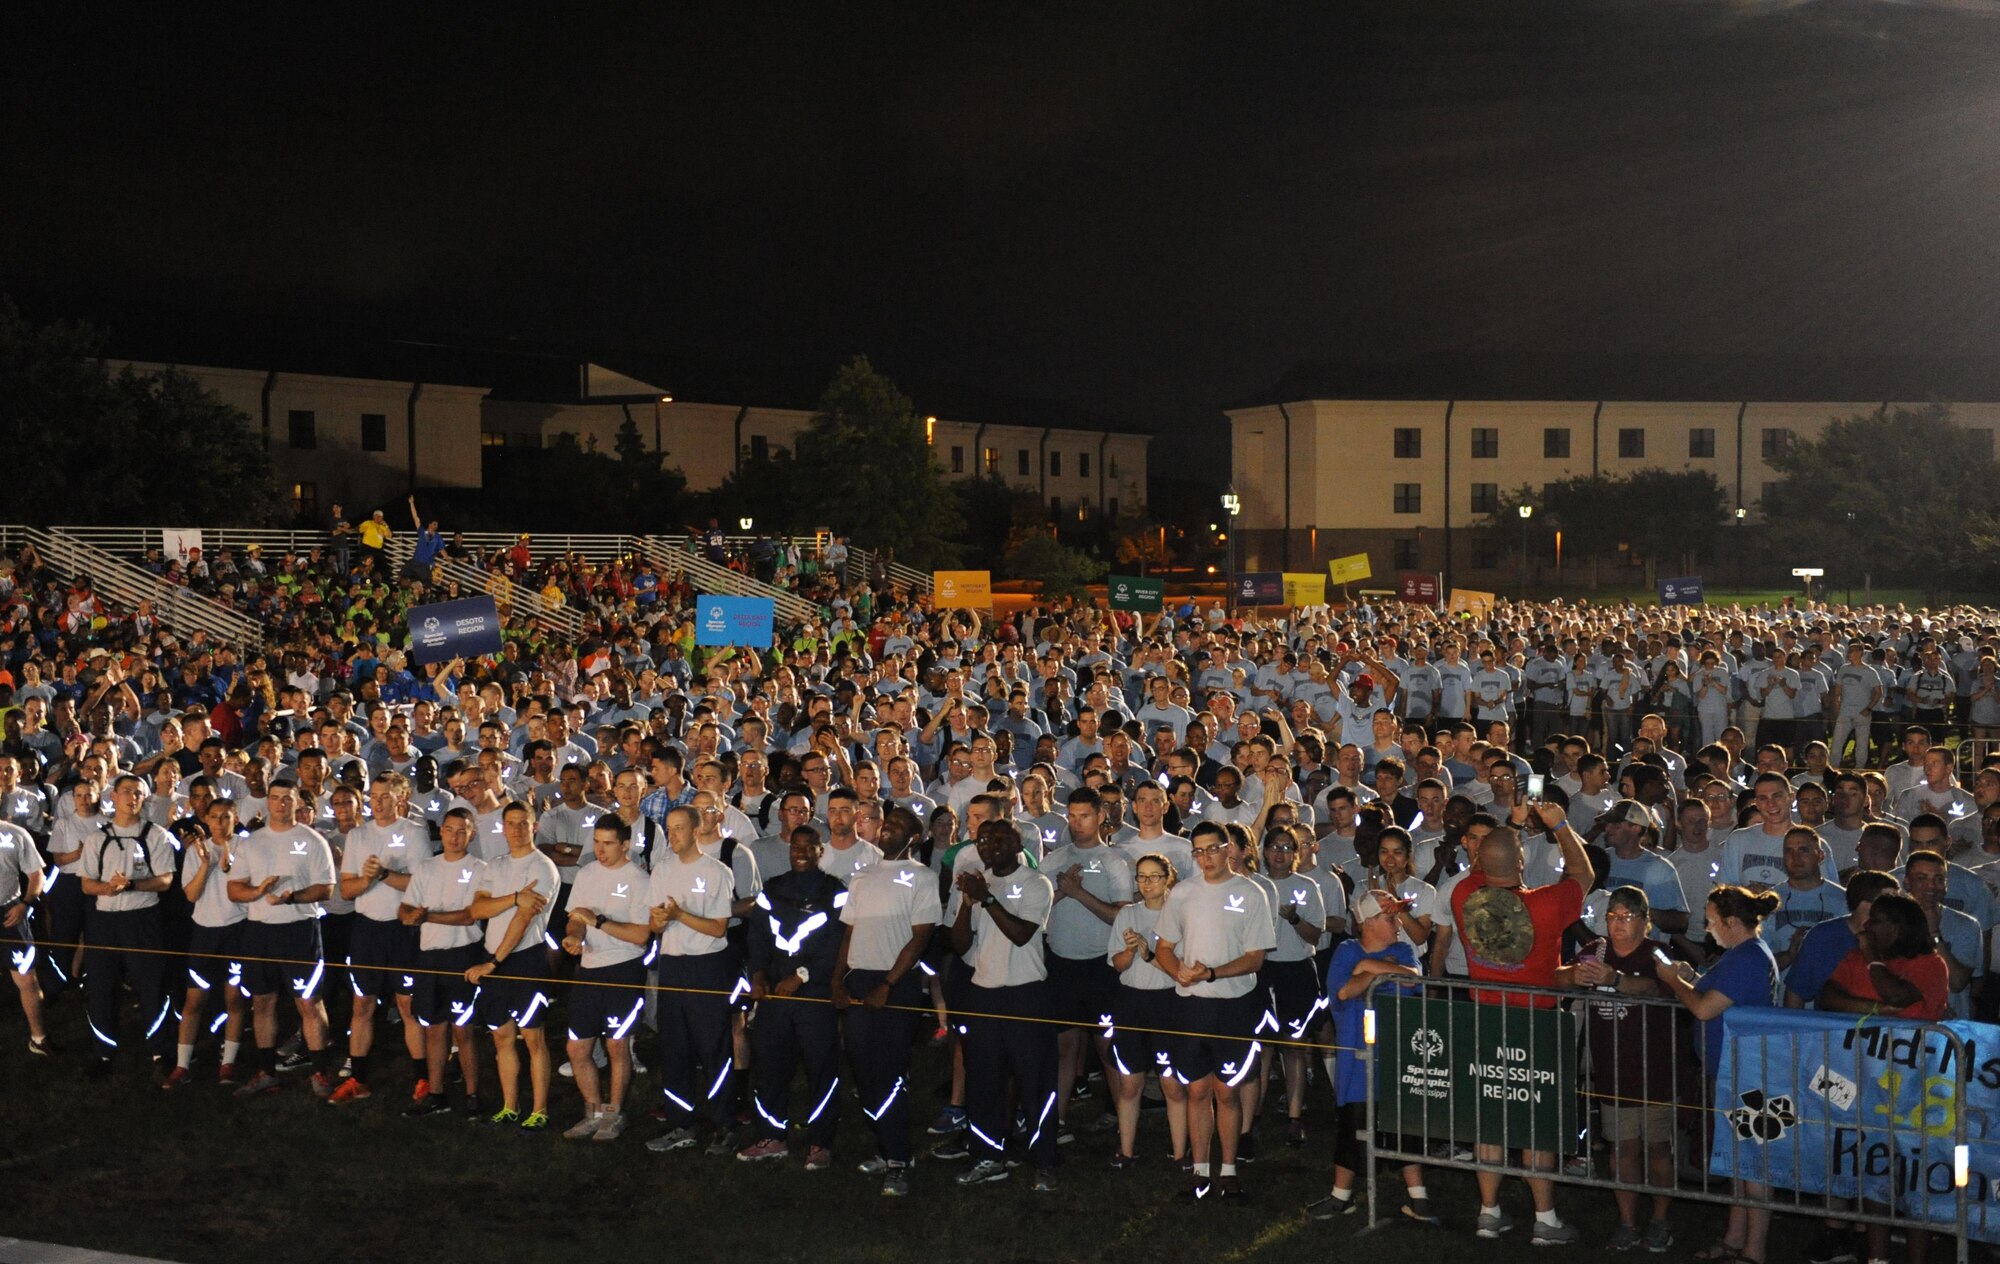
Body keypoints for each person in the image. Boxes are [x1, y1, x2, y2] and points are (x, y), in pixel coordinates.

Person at [1449, 798, 1592, 1244]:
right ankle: (1545, 1220)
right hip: (1536, 1023)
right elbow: (1583, 875)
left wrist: (1509, 826)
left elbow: (1481, 865)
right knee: (1536, 1122)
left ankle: (1489, 1213)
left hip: (1485, 1021)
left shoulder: (1462, 897)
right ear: (1523, 861)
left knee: (1489, 1118)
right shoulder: (1546, 905)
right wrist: (1561, 826)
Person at [1812, 890, 1948, 1264]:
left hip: (1918, 1090)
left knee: (1915, 1178)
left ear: (1899, 926)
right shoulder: (1854, 958)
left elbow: (1901, 996)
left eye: (1878, 920)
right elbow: (1828, 996)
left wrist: (1873, 962)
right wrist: (1875, 1009)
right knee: (1875, 1174)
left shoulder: (1929, 964)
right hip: (1867, 1084)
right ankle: (1876, 1259)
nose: (1868, 927)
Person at [1654, 886, 1782, 1264]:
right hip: (1733, 1074)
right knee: (1740, 1165)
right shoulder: (1742, 955)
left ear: (1731, 922)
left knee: (1754, 1169)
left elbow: (1705, 1009)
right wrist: (1690, 977)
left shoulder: (1747, 959)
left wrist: (1673, 981)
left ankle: (1752, 1251)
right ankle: (1735, 1241)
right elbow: (1716, 994)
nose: (1706, 929)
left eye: (1711, 921)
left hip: (1748, 1078)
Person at [1152, 819, 1277, 1203]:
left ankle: (1229, 1169)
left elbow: (1256, 958)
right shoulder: (1183, 893)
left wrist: (1211, 973)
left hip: (1234, 1006)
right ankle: (1200, 1171)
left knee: (1227, 1093)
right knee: (1197, 1089)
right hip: (1191, 1008)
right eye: (1198, 851)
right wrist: (1182, 975)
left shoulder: (1251, 893)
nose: (1205, 857)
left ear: (1228, 849)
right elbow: (1164, 947)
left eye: (1212, 849)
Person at [947, 817, 1060, 1191]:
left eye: (998, 840)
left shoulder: (1035, 883)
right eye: (982, 840)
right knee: (984, 1082)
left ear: (1016, 844)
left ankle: (1044, 1161)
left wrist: (987, 899)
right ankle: (988, 1156)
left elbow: (1022, 934)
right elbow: (961, 945)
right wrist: (967, 904)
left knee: (1035, 1083)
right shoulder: (980, 883)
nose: (989, 846)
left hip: (1025, 995)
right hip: (983, 993)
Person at [1306, 888, 1433, 1223]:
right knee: (1354, 1126)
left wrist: (1367, 969)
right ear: (1370, 922)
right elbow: (1344, 991)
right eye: (1391, 917)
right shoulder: (1347, 951)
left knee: (1404, 1126)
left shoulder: (1403, 949)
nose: (1398, 924)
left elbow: (1414, 979)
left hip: (1396, 1058)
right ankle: (1341, 1196)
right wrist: (1379, 969)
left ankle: (1419, 1199)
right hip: (1357, 1060)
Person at [833, 805, 939, 1196]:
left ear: (914, 837)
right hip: (859, 979)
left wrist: (890, 984)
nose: (887, 830)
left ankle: (898, 1158)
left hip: (896, 985)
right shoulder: (863, 877)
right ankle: (886, 1143)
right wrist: (837, 981)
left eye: (897, 826)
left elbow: (921, 936)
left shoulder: (922, 878)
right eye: (885, 824)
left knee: (890, 1069)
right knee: (862, 1067)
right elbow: (848, 933)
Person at [1573, 886, 1678, 1254]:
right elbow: (1558, 976)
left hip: (1655, 1070)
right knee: (1622, 1149)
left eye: (1626, 917)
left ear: (1646, 923)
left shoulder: (1656, 953)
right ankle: (1628, 1223)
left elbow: (1659, 986)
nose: (1617, 924)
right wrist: (1574, 977)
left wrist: (1615, 980)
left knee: (1659, 1149)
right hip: (1612, 1071)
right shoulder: (1594, 951)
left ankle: (1661, 1220)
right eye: (1612, 917)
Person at [738, 823, 846, 1169]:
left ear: (820, 850)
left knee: (821, 1068)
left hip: (814, 995)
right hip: (774, 997)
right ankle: (772, 1135)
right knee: (769, 1065)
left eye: (808, 846)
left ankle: (820, 1142)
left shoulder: (835, 891)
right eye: (795, 847)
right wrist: (757, 974)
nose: (800, 852)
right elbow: (757, 936)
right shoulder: (774, 889)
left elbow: (838, 943)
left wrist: (801, 976)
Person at [227, 778, 338, 1098]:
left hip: (299, 929)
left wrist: (292, 898)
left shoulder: (313, 840)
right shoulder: (252, 843)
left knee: (309, 1002)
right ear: (268, 803)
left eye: (286, 799)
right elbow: (234, 887)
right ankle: (266, 1072)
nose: (279, 804)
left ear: (296, 803)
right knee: (262, 1002)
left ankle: (319, 1073)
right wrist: (258, 892)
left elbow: (326, 888)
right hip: (260, 930)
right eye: (274, 798)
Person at [642, 805, 740, 1155]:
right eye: (669, 829)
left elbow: (718, 927)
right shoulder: (663, 869)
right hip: (673, 964)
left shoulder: (716, 871)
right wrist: (661, 920)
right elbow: (654, 925)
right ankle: (680, 1122)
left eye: (680, 828)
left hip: (707, 966)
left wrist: (680, 914)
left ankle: (724, 1123)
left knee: (714, 1048)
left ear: (696, 830)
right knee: (674, 1047)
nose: (673, 835)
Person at [1041, 786, 1134, 1142]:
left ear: (1100, 817)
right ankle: (1058, 1120)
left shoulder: (1114, 861)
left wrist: (1079, 893)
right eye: (1072, 816)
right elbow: (1037, 913)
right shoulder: (1053, 860)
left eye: (1084, 816)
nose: (1076, 823)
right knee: (1064, 1046)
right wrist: (1064, 891)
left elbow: (1122, 917)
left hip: (1102, 966)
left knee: (1107, 1046)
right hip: (1062, 965)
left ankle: (1120, 1115)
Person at [466, 800, 561, 1129]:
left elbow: (523, 919)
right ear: (502, 828)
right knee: (502, 1038)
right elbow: (478, 910)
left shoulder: (542, 867)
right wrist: (514, 897)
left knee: (533, 1038)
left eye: (524, 823)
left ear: (534, 826)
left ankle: (539, 1109)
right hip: (495, 960)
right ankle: (510, 1106)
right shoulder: (494, 865)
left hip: (525, 959)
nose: (518, 829)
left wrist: (493, 962)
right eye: (512, 823)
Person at [559, 817, 654, 1141]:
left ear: (625, 844)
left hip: (623, 969)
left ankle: (614, 1115)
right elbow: (576, 918)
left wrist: (598, 922)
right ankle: (593, 1111)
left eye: (608, 843)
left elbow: (641, 934)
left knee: (616, 1044)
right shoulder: (586, 874)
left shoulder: (638, 880)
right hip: (589, 968)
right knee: (577, 1047)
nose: (599, 849)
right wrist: (574, 937)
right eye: (597, 841)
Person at [77, 774, 178, 1076]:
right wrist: (107, 889)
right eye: (126, 792)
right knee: (101, 985)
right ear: (114, 797)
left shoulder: (155, 835)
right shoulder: (98, 838)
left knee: (151, 984)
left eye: (138, 793)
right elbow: (86, 884)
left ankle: (161, 1051)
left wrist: (132, 885)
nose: (132, 798)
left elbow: (166, 880)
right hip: (105, 921)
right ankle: (103, 1052)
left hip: (142, 919)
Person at [398, 807, 490, 1117]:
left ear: (471, 834)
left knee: (463, 1031)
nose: (454, 836)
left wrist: (429, 915)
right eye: (449, 829)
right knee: (434, 1029)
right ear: (442, 831)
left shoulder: (480, 868)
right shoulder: (426, 867)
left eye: (461, 831)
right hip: (429, 957)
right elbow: (406, 909)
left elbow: (470, 915)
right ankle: (436, 1094)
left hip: (462, 957)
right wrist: (411, 916)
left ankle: (473, 1094)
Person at [1105, 851, 1187, 1170]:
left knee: (1171, 1082)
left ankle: (1180, 1153)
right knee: (1130, 1082)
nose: (1147, 883)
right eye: (1141, 877)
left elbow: (1179, 970)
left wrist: (1150, 953)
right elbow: (1117, 964)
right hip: (1131, 1003)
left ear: (1168, 879)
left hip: (1167, 1003)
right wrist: (1129, 951)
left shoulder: (1179, 915)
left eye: (1154, 876)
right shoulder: (1128, 914)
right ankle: (1126, 1151)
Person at [165, 803, 245, 1088]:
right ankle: (182, 1065)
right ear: (207, 820)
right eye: (215, 817)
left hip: (236, 932)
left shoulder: (247, 848)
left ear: (235, 818)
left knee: (234, 999)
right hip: (204, 934)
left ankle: (228, 1063)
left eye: (226, 817)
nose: (221, 822)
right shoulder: (196, 851)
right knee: (194, 1000)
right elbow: (191, 894)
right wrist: (206, 865)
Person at [0, 810, 50, 1056]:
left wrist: (26, 903)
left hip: (10, 915)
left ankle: (39, 1039)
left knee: (27, 978)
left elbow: (36, 874)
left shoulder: (15, 833)